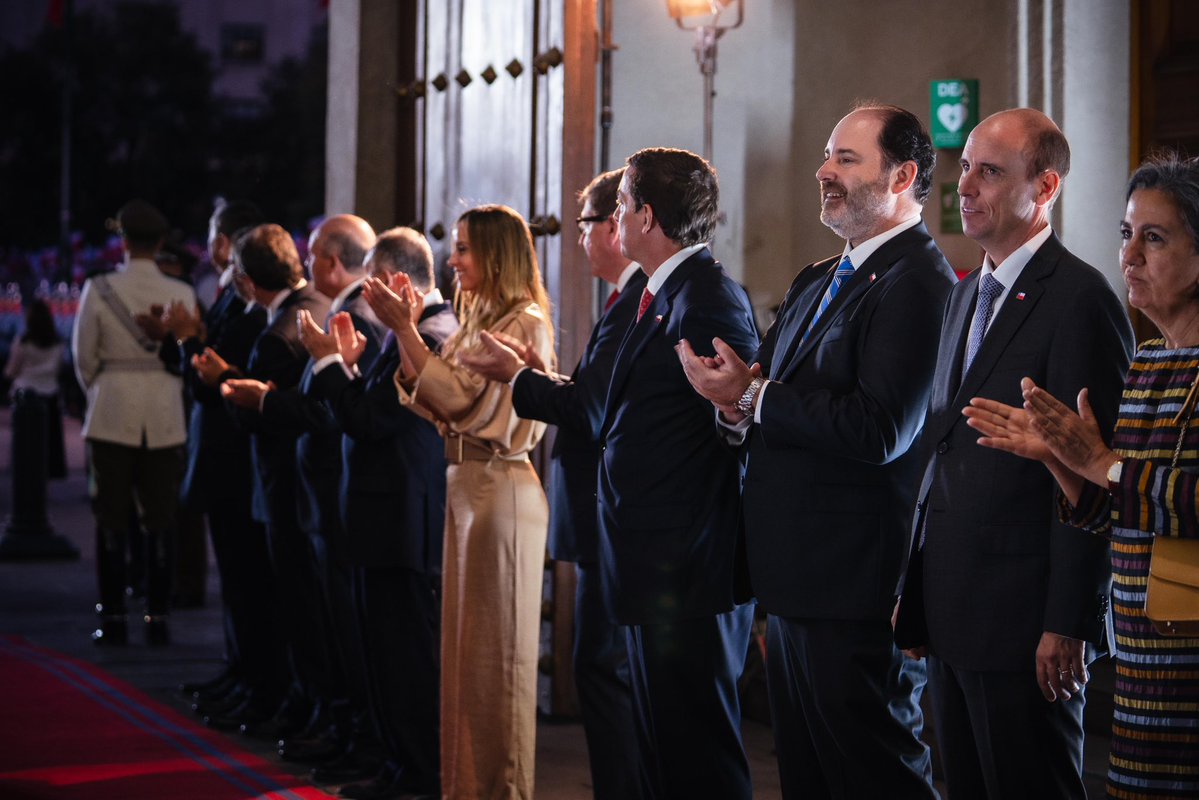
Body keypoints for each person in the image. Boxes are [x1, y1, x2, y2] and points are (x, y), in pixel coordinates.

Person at [677, 104, 954, 799]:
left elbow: (879, 428)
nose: (822, 171)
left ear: (903, 175)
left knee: (873, 771)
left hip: (858, 584)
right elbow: (759, 397)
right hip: (796, 577)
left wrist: (758, 398)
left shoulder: (918, 282)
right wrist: (731, 403)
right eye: (828, 156)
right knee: (807, 776)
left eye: (845, 159)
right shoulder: (815, 278)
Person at [891, 108, 1135, 799]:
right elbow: (941, 452)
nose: (964, 186)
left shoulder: (1080, 299)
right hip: (952, 608)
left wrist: (1069, 620)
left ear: (1045, 186)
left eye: (989, 172)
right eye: (964, 167)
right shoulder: (963, 295)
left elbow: (1095, 475)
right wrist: (915, 592)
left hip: (1027, 623)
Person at [962, 152, 1199, 798]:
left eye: (1154, 238)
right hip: (1145, 665)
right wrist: (1061, 464)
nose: (1129, 257)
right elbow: (1115, 509)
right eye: (1126, 235)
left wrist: (1098, 463)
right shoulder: (1150, 362)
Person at [457, 168, 646, 800]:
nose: (581, 238)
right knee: (602, 670)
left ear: (619, 225)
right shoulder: (625, 300)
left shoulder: (639, 299)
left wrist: (521, 375)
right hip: (602, 517)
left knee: (605, 672)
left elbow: (595, 412)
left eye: (587, 223)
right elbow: (597, 399)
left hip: (615, 517)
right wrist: (539, 376)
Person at [361, 204, 554, 800]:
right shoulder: (476, 316)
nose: (453, 258)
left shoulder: (525, 323)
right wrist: (406, 333)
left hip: (500, 488)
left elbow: (472, 406)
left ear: (496, 255)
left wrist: (403, 331)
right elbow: (437, 395)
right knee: (466, 661)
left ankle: (503, 790)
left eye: (466, 248)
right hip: (466, 488)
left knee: (501, 665)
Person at [592, 147, 758, 799]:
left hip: (688, 568)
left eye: (624, 204)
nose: (615, 220)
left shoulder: (708, 297)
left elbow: (736, 421)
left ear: (647, 217)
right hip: (655, 566)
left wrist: (734, 408)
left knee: (698, 758)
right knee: (662, 752)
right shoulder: (661, 293)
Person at [300, 227, 458, 800]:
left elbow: (370, 420)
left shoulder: (434, 335)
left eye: (371, 286)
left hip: (402, 522)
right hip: (380, 518)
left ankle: (419, 774)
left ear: (395, 281)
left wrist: (331, 365)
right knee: (384, 658)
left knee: (407, 661)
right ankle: (398, 765)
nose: (366, 301)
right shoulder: (407, 333)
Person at [198, 223, 332, 732]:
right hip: (307, 491)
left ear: (249, 284)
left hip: (285, 488)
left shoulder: (280, 334)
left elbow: (266, 412)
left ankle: (300, 706)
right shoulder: (316, 306)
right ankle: (298, 702)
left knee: (293, 607)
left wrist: (225, 383)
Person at [164, 200, 280, 719]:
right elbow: (202, 370)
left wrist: (194, 342)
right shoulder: (231, 299)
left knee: (250, 581)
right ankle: (239, 672)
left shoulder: (255, 307)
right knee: (234, 579)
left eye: (217, 237)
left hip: (238, 459)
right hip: (220, 454)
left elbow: (227, 378)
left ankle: (258, 682)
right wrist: (181, 343)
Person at [71, 199, 196, 646]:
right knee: (160, 519)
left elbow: (84, 359)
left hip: (112, 410)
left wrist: (103, 392)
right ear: (161, 242)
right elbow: (190, 355)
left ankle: (115, 617)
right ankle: (158, 618)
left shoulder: (99, 288)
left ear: (122, 242)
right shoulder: (181, 293)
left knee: (111, 519)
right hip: (164, 411)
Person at [4, 299, 67, 537]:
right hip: (48, 394)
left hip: (24, 395)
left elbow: (12, 369)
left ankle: (26, 495)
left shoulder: (23, 340)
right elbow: (61, 367)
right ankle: (42, 489)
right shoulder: (57, 341)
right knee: (46, 448)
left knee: (25, 449)